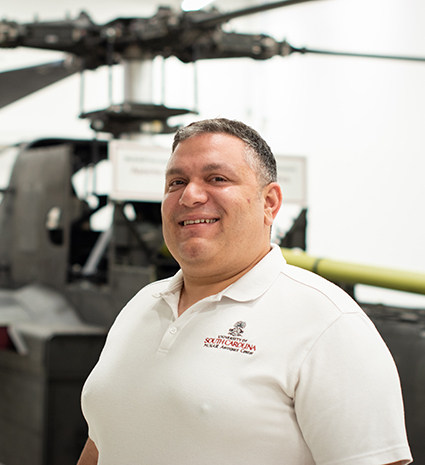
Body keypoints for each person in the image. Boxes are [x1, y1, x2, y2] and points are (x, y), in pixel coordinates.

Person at [77, 118, 412, 465]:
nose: (190, 195)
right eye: (177, 182)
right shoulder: (142, 304)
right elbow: (103, 440)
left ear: (269, 203)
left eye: (216, 179)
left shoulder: (328, 324)